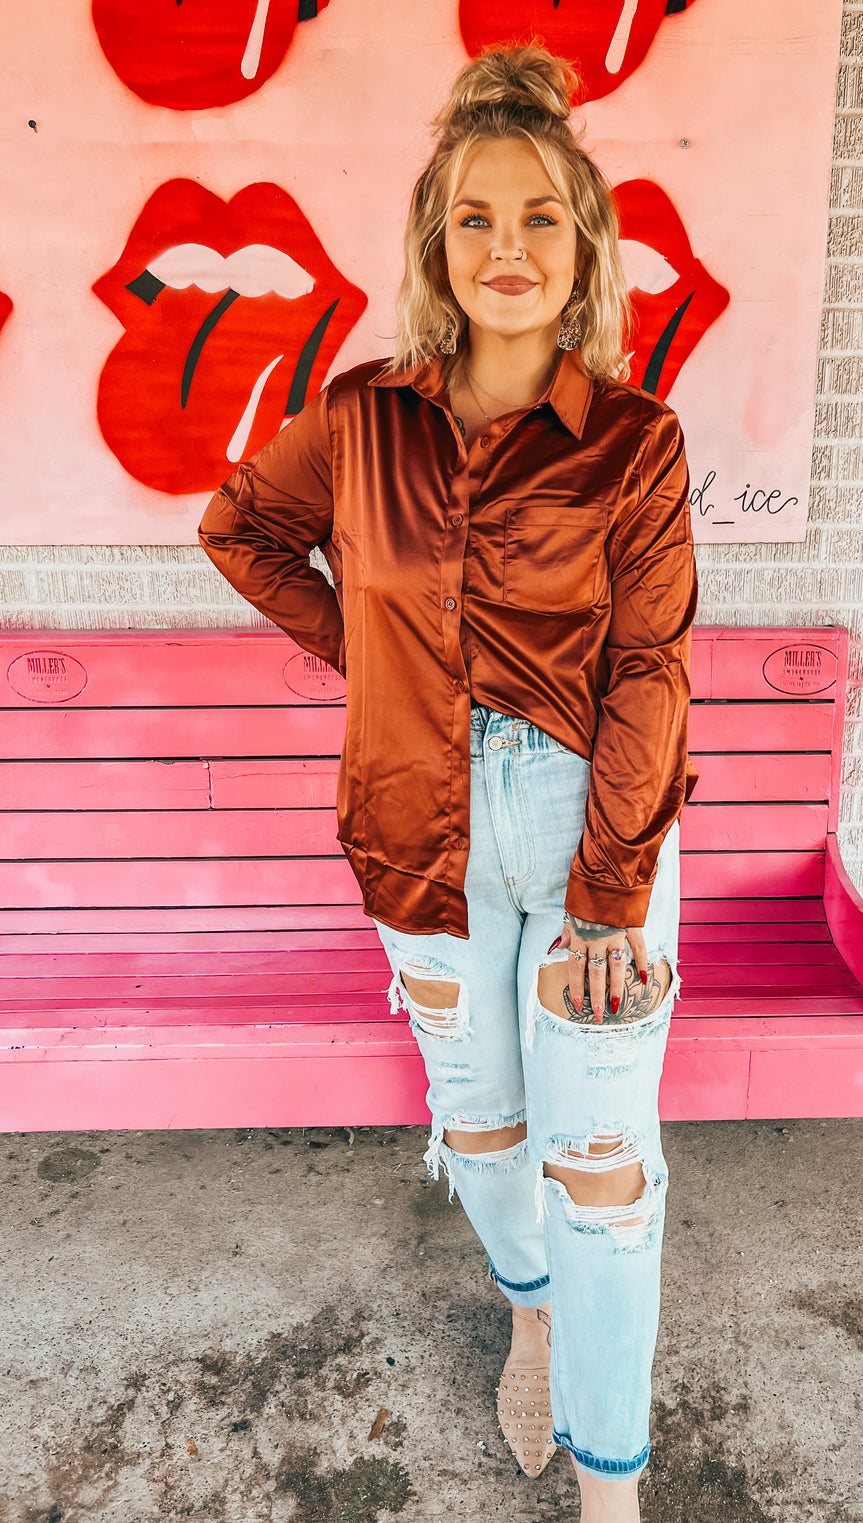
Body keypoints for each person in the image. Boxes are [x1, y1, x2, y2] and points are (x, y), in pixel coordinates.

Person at [198, 42, 698, 1523]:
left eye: (541, 216)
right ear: (435, 241)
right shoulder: (360, 419)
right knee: (481, 1126)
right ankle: (528, 1308)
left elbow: (652, 673)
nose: (508, 247)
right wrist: (381, 660)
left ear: (586, 245)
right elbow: (242, 532)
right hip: (411, 823)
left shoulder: (633, 445)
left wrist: (611, 899)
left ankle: (614, 1493)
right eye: (476, 217)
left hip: (588, 824)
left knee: (602, 1168)